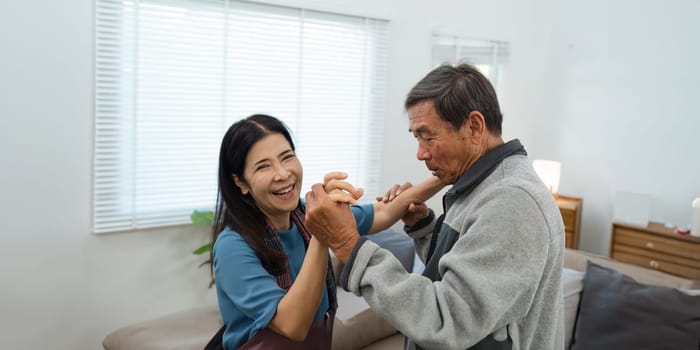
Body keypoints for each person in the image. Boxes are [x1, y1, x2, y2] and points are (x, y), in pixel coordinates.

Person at [304, 63, 565, 350]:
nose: (420, 153)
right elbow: (466, 273)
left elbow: (447, 321)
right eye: (416, 137)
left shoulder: (513, 201)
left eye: (428, 137)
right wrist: (423, 227)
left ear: (474, 127)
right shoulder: (481, 185)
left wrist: (347, 244)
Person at [209, 114, 443, 349]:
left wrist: (445, 176)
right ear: (240, 182)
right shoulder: (232, 246)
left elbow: (383, 211)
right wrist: (321, 231)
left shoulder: (303, 212)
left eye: (287, 157)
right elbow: (292, 325)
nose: (282, 174)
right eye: (263, 166)